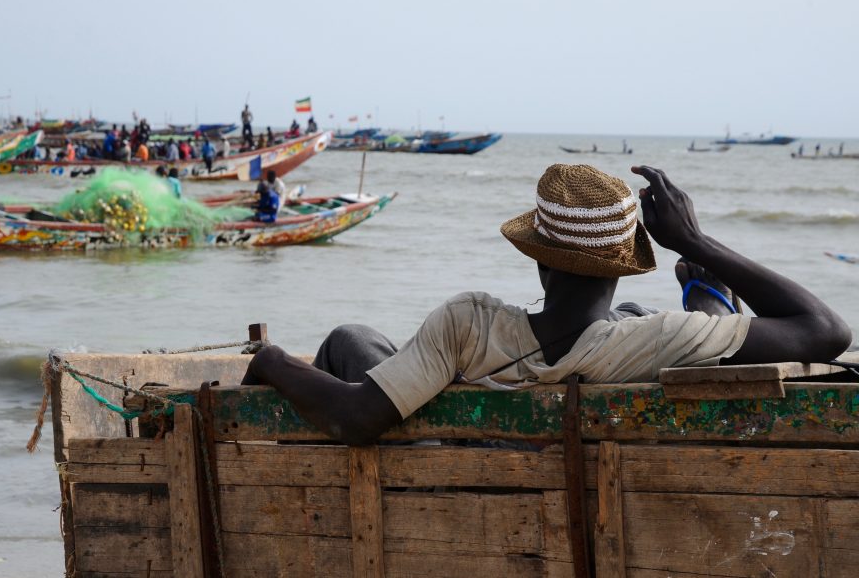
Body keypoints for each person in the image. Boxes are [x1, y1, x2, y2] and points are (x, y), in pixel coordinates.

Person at [241, 163, 852, 446]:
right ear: (626, 265)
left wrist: (271, 359)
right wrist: (695, 243)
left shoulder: (467, 325)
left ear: (538, 258)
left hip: (451, 444)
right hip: (624, 348)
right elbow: (826, 331)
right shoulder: (656, 340)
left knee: (349, 337)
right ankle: (711, 304)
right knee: (638, 320)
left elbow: (356, 418)